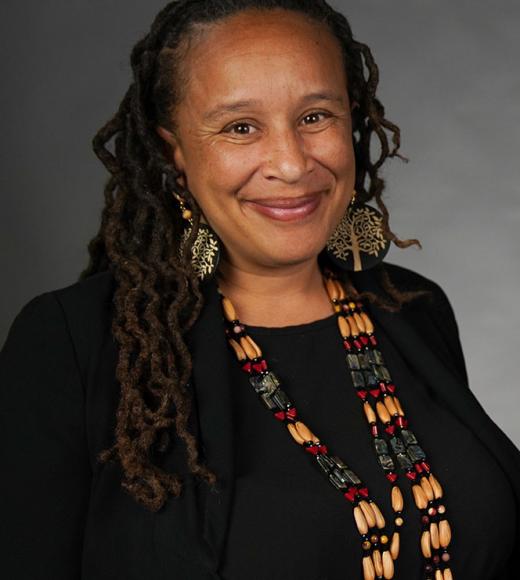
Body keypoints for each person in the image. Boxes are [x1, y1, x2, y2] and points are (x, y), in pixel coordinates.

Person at [1, 1, 519, 579]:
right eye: (240, 127)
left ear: (352, 118)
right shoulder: (72, 345)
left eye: (315, 116)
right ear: (173, 150)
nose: (292, 164)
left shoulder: (412, 307)